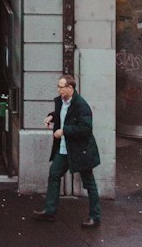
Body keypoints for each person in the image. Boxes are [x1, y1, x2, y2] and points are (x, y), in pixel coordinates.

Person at [33, 72, 101, 226]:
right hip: (64, 149)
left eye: (61, 87)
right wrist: (51, 116)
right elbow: (62, 115)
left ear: (70, 88)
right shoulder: (62, 102)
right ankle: (50, 211)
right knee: (54, 174)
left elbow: (86, 129)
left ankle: (95, 217)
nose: (58, 90)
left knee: (89, 182)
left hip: (80, 150)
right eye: (58, 87)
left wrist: (64, 131)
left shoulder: (81, 105)